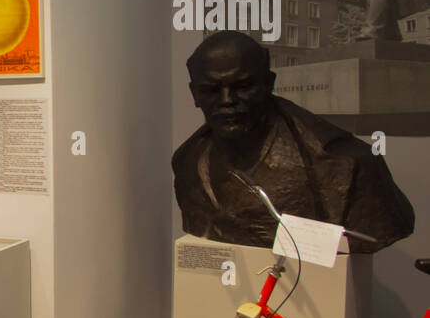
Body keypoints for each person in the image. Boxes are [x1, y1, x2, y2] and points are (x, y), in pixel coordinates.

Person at [173, 30, 414, 252]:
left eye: (242, 86)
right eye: (212, 90)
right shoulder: (187, 163)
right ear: (195, 94)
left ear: (269, 84)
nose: (227, 100)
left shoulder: (349, 165)